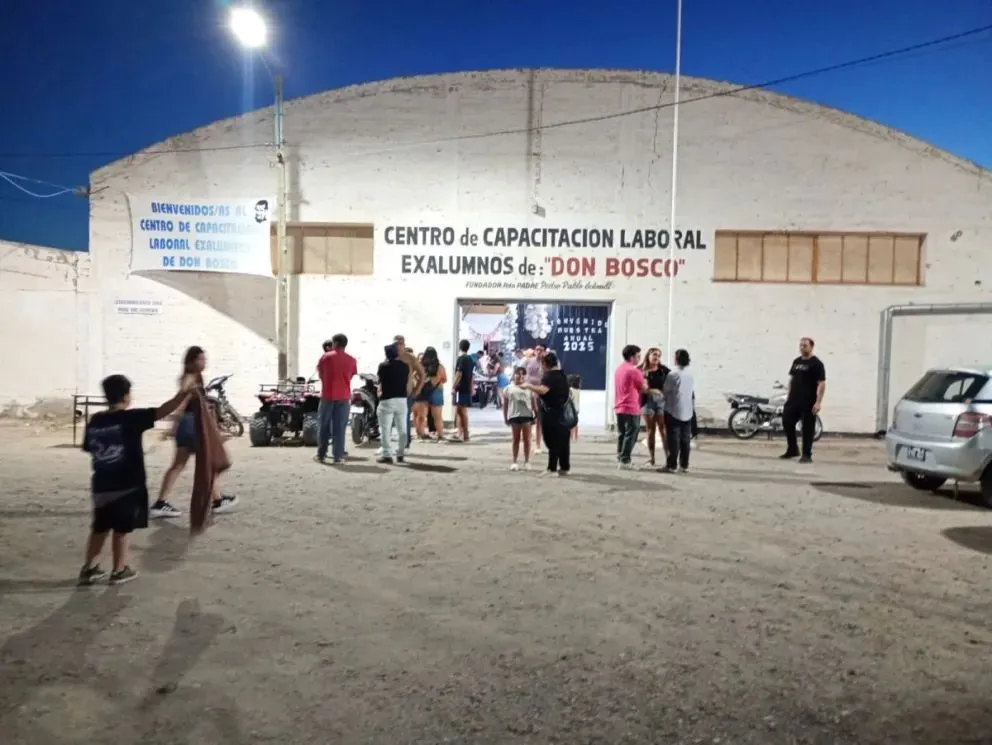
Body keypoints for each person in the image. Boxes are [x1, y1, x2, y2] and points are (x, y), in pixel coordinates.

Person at [79, 374, 194, 586]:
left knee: (100, 528)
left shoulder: (96, 421)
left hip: (101, 486)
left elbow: (88, 447)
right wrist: (184, 394)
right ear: (126, 396)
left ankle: (90, 568)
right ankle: (119, 569)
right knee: (122, 529)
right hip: (127, 485)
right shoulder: (131, 418)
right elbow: (163, 410)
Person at [152, 346, 238, 518]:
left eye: (205, 359)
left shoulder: (195, 377)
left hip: (188, 424)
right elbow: (183, 398)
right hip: (191, 425)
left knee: (180, 465)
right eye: (201, 359)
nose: (204, 362)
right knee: (207, 461)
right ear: (191, 362)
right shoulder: (190, 377)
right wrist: (173, 424)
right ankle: (217, 501)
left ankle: (161, 502)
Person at [523, 352, 572, 476]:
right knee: (563, 440)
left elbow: (543, 390)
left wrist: (529, 386)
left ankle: (552, 468)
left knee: (552, 440)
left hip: (551, 412)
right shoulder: (562, 375)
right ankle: (564, 467)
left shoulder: (549, 376)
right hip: (563, 412)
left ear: (545, 364)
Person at [780, 337, 826, 463]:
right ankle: (793, 449)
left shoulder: (817, 364)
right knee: (787, 421)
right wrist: (788, 395)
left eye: (805, 346)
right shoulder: (796, 361)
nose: (802, 348)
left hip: (808, 400)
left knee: (807, 428)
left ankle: (807, 454)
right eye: (800, 345)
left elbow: (821, 384)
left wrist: (818, 402)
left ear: (811, 347)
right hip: (793, 399)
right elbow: (792, 379)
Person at [316, 333, 357, 464]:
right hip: (344, 396)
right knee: (340, 427)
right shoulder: (352, 359)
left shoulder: (326, 357)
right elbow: (351, 375)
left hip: (327, 395)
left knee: (324, 426)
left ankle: (321, 455)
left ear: (335, 343)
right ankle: (338, 456)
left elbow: (321, 374)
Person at [614, 344, 647, 469]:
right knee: (632, 433)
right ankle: (625, 460)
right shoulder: (634, 371)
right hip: (631, 407)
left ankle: (620, 457)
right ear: (632, 357)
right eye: (638, 356)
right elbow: (643, 388)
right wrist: (645, 382)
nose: (639, 359)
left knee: (622, 433)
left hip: (619, 406)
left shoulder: (619, 369)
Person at [376, 343, 410, 464]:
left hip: (387, 400)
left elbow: (380, 380)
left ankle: (387, 454)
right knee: (402, 429)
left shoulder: (383, 366)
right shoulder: (405, 366)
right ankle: (401, 453)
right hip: (402, 400)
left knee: (385, 429)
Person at [662, 349, 695, 473]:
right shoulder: (690, 373)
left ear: (676, 359)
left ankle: (671, 466)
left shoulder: (673, 374)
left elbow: (666, 390)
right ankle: (684, 465)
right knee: (685, 440)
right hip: (688, 410)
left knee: (673, 440)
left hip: (674, 410)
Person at [640, 347, 670, 467]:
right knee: (650, 430)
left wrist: (664, 392)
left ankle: (669, 458)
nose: (656, 357)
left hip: (661, 401)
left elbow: (673, 381)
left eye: (658, 355)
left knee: (663, 429)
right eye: (654, 354)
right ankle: (651, 458)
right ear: (648, 355)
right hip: (647, 401)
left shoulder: (664, 370)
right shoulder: (641, 370)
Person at [393, 335, 425, 449]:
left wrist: (417, 389)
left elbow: (422, 374)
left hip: (406, 394)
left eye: (401, 343)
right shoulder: (390, 356)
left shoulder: (410, 358)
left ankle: (405, 444)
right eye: (396, 343)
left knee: (404, 418)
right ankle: (397, 443)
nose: (398, 346)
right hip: (391, 394)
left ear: (404, 345)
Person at [503, 366, 535, 471]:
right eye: (518, 373)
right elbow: (505, 405)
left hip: (527, 416)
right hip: (514, 416)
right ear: (514, 375)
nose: (520, 376)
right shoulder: (508, 389)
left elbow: (534, 404)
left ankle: (527, 461)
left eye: (523, 374)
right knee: (515, 439)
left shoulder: (529, 388)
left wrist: (535, 415)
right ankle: (514, 461)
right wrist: (505, 417)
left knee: (527, 439)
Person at [413, 347, 447, 440]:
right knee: (437, 416)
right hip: (437, 391)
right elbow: (445, 379)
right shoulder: (440, 366)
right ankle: (440, 434)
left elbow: (414, 375)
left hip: (423, 391)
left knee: (421, 416)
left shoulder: (421, 366)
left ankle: (421, 434)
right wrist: (437, 381)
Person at [451, 339, 475, 442]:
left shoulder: (461, 359)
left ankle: (465, 434)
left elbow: (459, 373)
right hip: (467, 387)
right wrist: (472, 386)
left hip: (460, 388)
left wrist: (453, 386)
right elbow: (471, 375)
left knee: (462, 411)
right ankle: (460, 432)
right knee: (459, 411)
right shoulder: (470, 359)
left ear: (460, 347)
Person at [524, 344, 547, 453]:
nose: (538, 352)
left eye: (540, 350)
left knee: (539, 420)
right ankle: (527, 441)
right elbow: (519, 372)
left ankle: (538, 444)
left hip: (541, 394)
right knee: (527, 418)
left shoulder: (548, 362)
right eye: (537, 349)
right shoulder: (528, 361)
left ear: (544, 351)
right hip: (528, 393)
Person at [567, 375, 581, 441]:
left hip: (571, 408)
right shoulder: (578, 390)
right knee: (576, 423)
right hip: (577, 408)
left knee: (570, 423)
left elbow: (569, 399)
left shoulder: (570, 390)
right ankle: (576, 437)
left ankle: (571, 437)